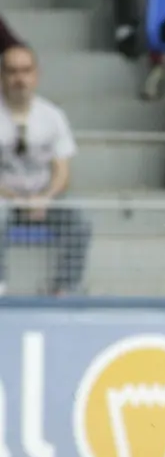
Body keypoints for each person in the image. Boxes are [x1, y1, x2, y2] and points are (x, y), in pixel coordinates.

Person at [0, 45, 90, 296]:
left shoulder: (52, 116)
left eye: (26, 71)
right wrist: (17, 199)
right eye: (12, 71)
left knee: (79, 220)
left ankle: (65, 288)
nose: (19, 78)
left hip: (44, 198)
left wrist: (45, 198)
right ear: (2, 76)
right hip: (4, 198)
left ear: (36, 75)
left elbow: (62, 170)